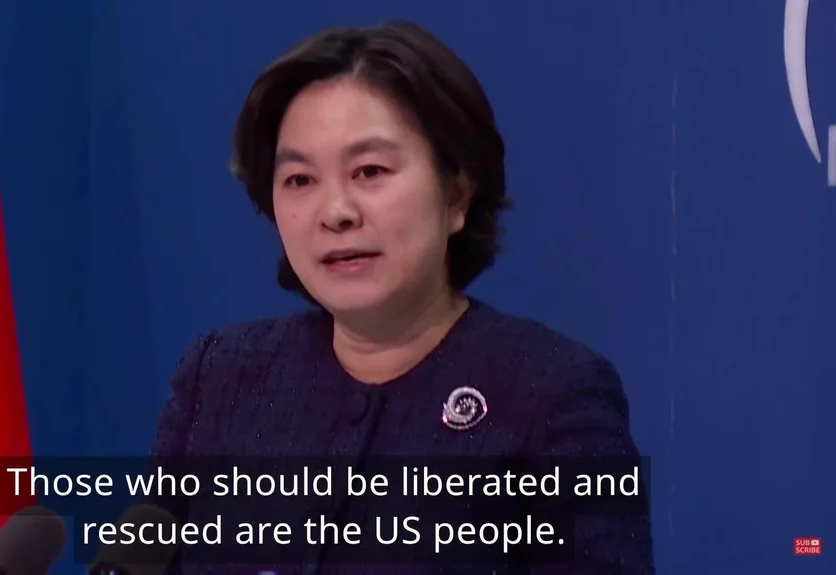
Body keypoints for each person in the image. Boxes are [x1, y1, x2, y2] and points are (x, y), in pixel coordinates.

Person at [150, 21, 655, 575]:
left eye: (369, 171)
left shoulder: (552, 394)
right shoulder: (220, 378)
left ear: (456, 195)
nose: (335, 212)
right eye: (299, 180)